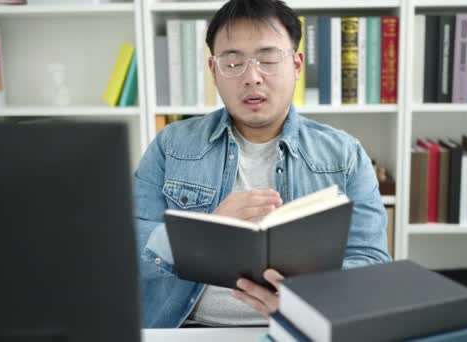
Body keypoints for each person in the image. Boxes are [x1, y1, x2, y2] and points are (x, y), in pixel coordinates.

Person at [134, 0, 391, 328]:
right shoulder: (171, 145)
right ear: (213, 70)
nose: (252, 77)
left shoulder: (345, 155)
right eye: (232, 62)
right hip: (186, 328)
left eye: (268, 59)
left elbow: (372, 263)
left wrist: (306, 297)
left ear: (297, 64)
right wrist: (201, 236)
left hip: (300, 327)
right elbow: (126, 244)